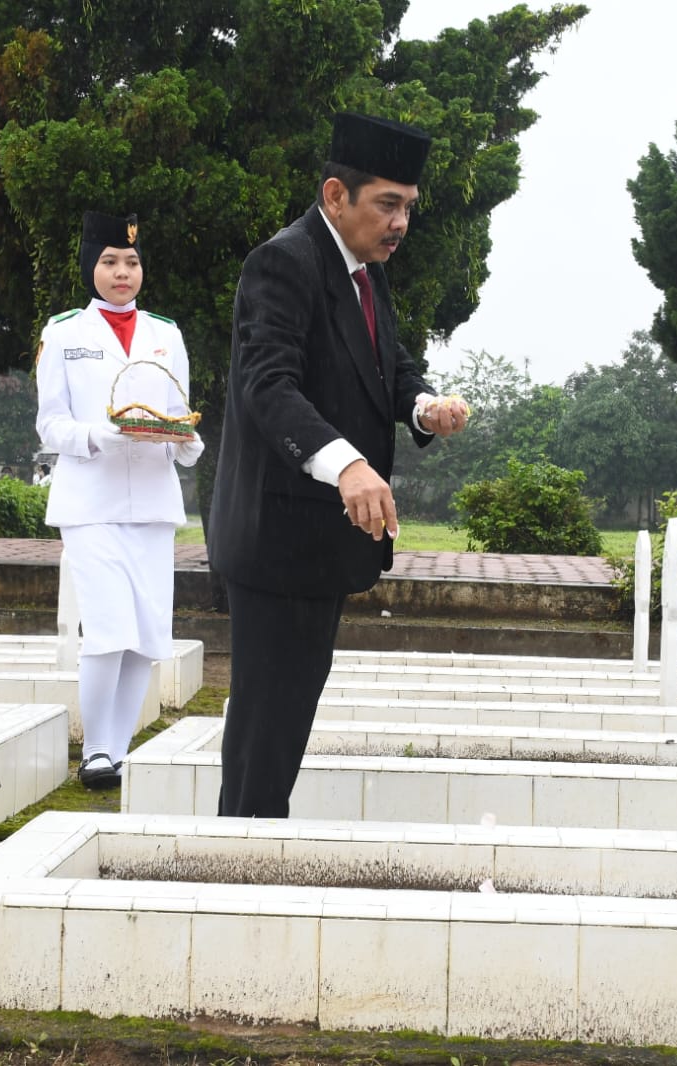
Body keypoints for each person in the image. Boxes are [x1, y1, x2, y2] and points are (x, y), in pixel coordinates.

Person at [207, 111, 470, 818]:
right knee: (265, 729)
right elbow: (268, 385)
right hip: (276, 539)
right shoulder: (283, 263)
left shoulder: (363, 270)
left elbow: (387, 366)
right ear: (334, 195)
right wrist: (348, 466)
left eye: (408, 207)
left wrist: (424, 407)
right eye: (387, 204)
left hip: (319, 544)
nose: (400, 223)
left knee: (286, 719)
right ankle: (240, 859)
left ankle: (252, 844)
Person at [35, 209, 203, 789]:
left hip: (152, 502)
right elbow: (50, 424)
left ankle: (117, 750)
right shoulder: (64, 333)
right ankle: (94, 751)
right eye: (109, 261)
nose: (122, 272)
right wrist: (94, 436)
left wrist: (187, 443)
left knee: (147, 636)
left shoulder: (166, 334)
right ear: (91, 266)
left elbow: (178, 412)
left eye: (131, 261)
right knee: (108, 628)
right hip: (90, 502)